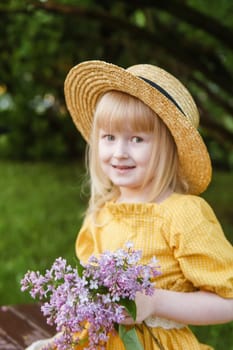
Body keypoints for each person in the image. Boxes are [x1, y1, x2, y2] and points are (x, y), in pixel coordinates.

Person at [26, 60, 233, 350]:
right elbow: (94, 305)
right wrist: (61, 340)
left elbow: (228, 302)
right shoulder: (102, 214)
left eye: (137, 139)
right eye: (109, 137)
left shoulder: (184, 214)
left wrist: (155, 302)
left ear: (167, 146)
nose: (120, 152)